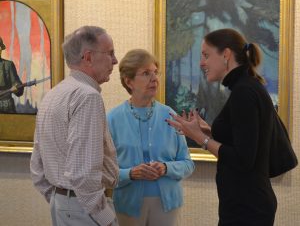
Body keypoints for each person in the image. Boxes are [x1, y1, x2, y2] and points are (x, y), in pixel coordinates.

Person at [167, 29, 277, 225]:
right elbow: (244, 137)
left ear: (225, 55)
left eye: (206, 55)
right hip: (246, 204)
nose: (201, 63)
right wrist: (206, 130)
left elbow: (243, 159)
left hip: (247, 209)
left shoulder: (244, 92)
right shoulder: (246, 87)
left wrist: (200, 138)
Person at [30, 26, 119, 226]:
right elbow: (84, 173)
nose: (115, 61)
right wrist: (105, 218)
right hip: (85, 209)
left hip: (65, 204)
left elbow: (37, 165)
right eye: (110, 53)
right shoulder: (87, 97)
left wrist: (59, 197)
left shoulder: (53, 94)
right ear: (88, 57)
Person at [107, 49, 195, 226]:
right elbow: (104, 171)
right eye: (146, 73)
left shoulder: (170, 115)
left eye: (156, 72)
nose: (154, 78)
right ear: (129, 81)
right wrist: (130, 173)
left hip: (167, 205)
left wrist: (165, 167)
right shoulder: (112, 119)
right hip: (127, 203)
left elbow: (187, 164)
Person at [0, 36, 24, 113]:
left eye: (0, 46)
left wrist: (17, 87)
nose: (0, 49)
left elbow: (18, 86)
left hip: (6, 105)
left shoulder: (8, 65)